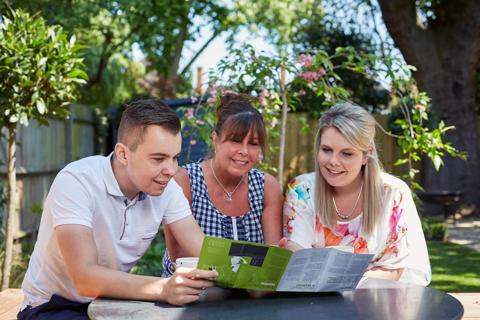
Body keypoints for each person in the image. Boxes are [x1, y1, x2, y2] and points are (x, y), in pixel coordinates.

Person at [18, 99, 218, 320]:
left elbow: (206, 253)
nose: (171, 170)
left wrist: (257, 276)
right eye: (158, 158)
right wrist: (163, 288)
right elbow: (84, 278)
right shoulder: (76, 181)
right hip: (53, 307)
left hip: (109, 301)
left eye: (175, 158)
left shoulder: (166, 189)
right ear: (123, 153)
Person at [283, 102, 431, 286]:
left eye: (347, 154)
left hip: (376, 303)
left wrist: (335, 278)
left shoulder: (393, 194)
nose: (333, 162)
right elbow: (300, 261)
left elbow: (396, 270)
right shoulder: (301, 190)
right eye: (326, 150)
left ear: (366, 155)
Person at [162, 92, 283, 276]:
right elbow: (182, 259)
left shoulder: (267, 187)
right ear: (215, 139)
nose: (244, 151)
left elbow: (272, 262)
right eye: (235, 140)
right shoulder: (184, 181)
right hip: (191, 296)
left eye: (253, 143)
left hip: (251, 299)